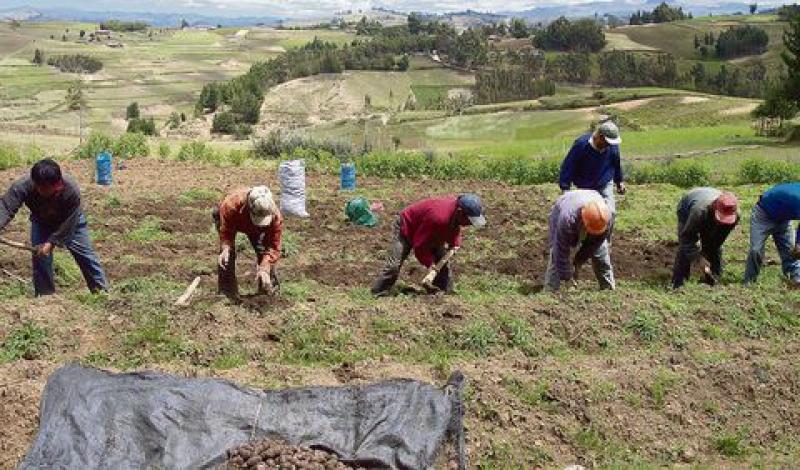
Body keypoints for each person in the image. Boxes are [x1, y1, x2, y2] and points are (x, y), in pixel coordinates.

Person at [0, 158, 107, 296]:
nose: (57, 189)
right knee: (40, 258)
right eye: (44, 188)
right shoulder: (22, 186)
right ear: (37, 185)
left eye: (56, 186)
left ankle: (101, 293)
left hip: (71, 223)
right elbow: (6, 208)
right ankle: (45, 297)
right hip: (41, 222)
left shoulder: (71, 190)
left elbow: (69, 223)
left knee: (86, 257)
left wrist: (51, 242)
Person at [371, 193, 486, 296]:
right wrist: (430, 265)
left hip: (430, 228)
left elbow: (454, 226)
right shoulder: (439, 218)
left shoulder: (455, 213)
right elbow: (420, 246)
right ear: (460, 212)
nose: (470, 224)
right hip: (406, 226)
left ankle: (444, 292)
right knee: (393, 266)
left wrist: (454, 243)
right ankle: (378, 292)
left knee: (443, 266)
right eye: (469, 220)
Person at [213, 186, 282, 298]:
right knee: (226, 256)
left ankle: (268, 289)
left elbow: (273, 246)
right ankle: (227, 292)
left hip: (255, 227)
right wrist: (226, 247)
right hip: (232, 219)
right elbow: (226, 230)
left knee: (263, 252)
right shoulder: (231, 205)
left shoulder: (275, 217)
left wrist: (264, 268)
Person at [543, 190, 613, 292]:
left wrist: (578, 261)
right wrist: (567, 276)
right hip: (564, 204)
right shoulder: (566, 219)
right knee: (556, 254)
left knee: (601, 252)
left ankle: (608, 289)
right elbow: (561, 250)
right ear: (583, 221)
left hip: (592, 198)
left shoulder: (606, 218)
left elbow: (595, 244)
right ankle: (550, 290)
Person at [672, 188, 739, 288]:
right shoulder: (698, 212)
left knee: (714, 246)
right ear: (714, 208)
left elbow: (718, 240)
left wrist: (707, 252)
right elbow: (687, 238)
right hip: (688, 205)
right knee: (684, 249)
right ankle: (678, 282)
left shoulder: (734, 216)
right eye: (720, 218)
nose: (721, 223)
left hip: (708, 201)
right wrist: (698, 259)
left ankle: (714, 278)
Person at [559, 121, 626, 212]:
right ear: (600, 137)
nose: (609, 146)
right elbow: (569, 165)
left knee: (610, 211)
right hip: (585, 185)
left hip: (604, 181)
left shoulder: (612, 146)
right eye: (607, 143)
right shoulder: (581, 145)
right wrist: (565, 187)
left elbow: (616, 163)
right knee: (588, 213)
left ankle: (608, 226)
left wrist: (619, 182)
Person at [743, 182, 800, 286]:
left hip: (784, 218)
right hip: (763, 215)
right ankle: (749, 282)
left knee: (789, 251)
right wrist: (799, 244)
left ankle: (795, 278)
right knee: (756, 250)